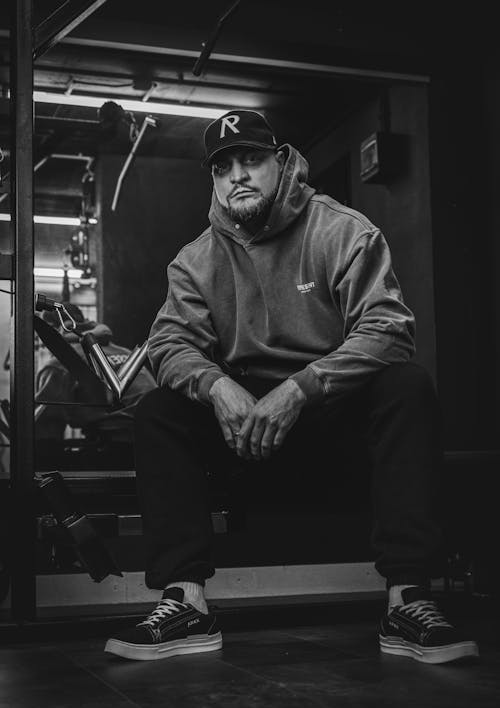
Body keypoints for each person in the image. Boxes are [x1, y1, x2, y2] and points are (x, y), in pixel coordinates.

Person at [105, 109, 479, 664]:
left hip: (331, 425)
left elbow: (389, 329)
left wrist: (303, 388)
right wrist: (216, 387)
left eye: (252, 159)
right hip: (244, 436)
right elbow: (168, 345)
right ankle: (186, 603)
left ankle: (408, 600)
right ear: (213, 179)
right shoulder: (195, 261)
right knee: (161, 409)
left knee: (406, 386)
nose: (239, 174)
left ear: (281, 164)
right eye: (224, 165)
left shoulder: (342, 230)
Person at [35, 303, 156, 469]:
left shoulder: (59, 363)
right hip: (155, 446)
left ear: (53, 328)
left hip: (117, 450)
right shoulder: (126, 352)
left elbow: (44, 430)